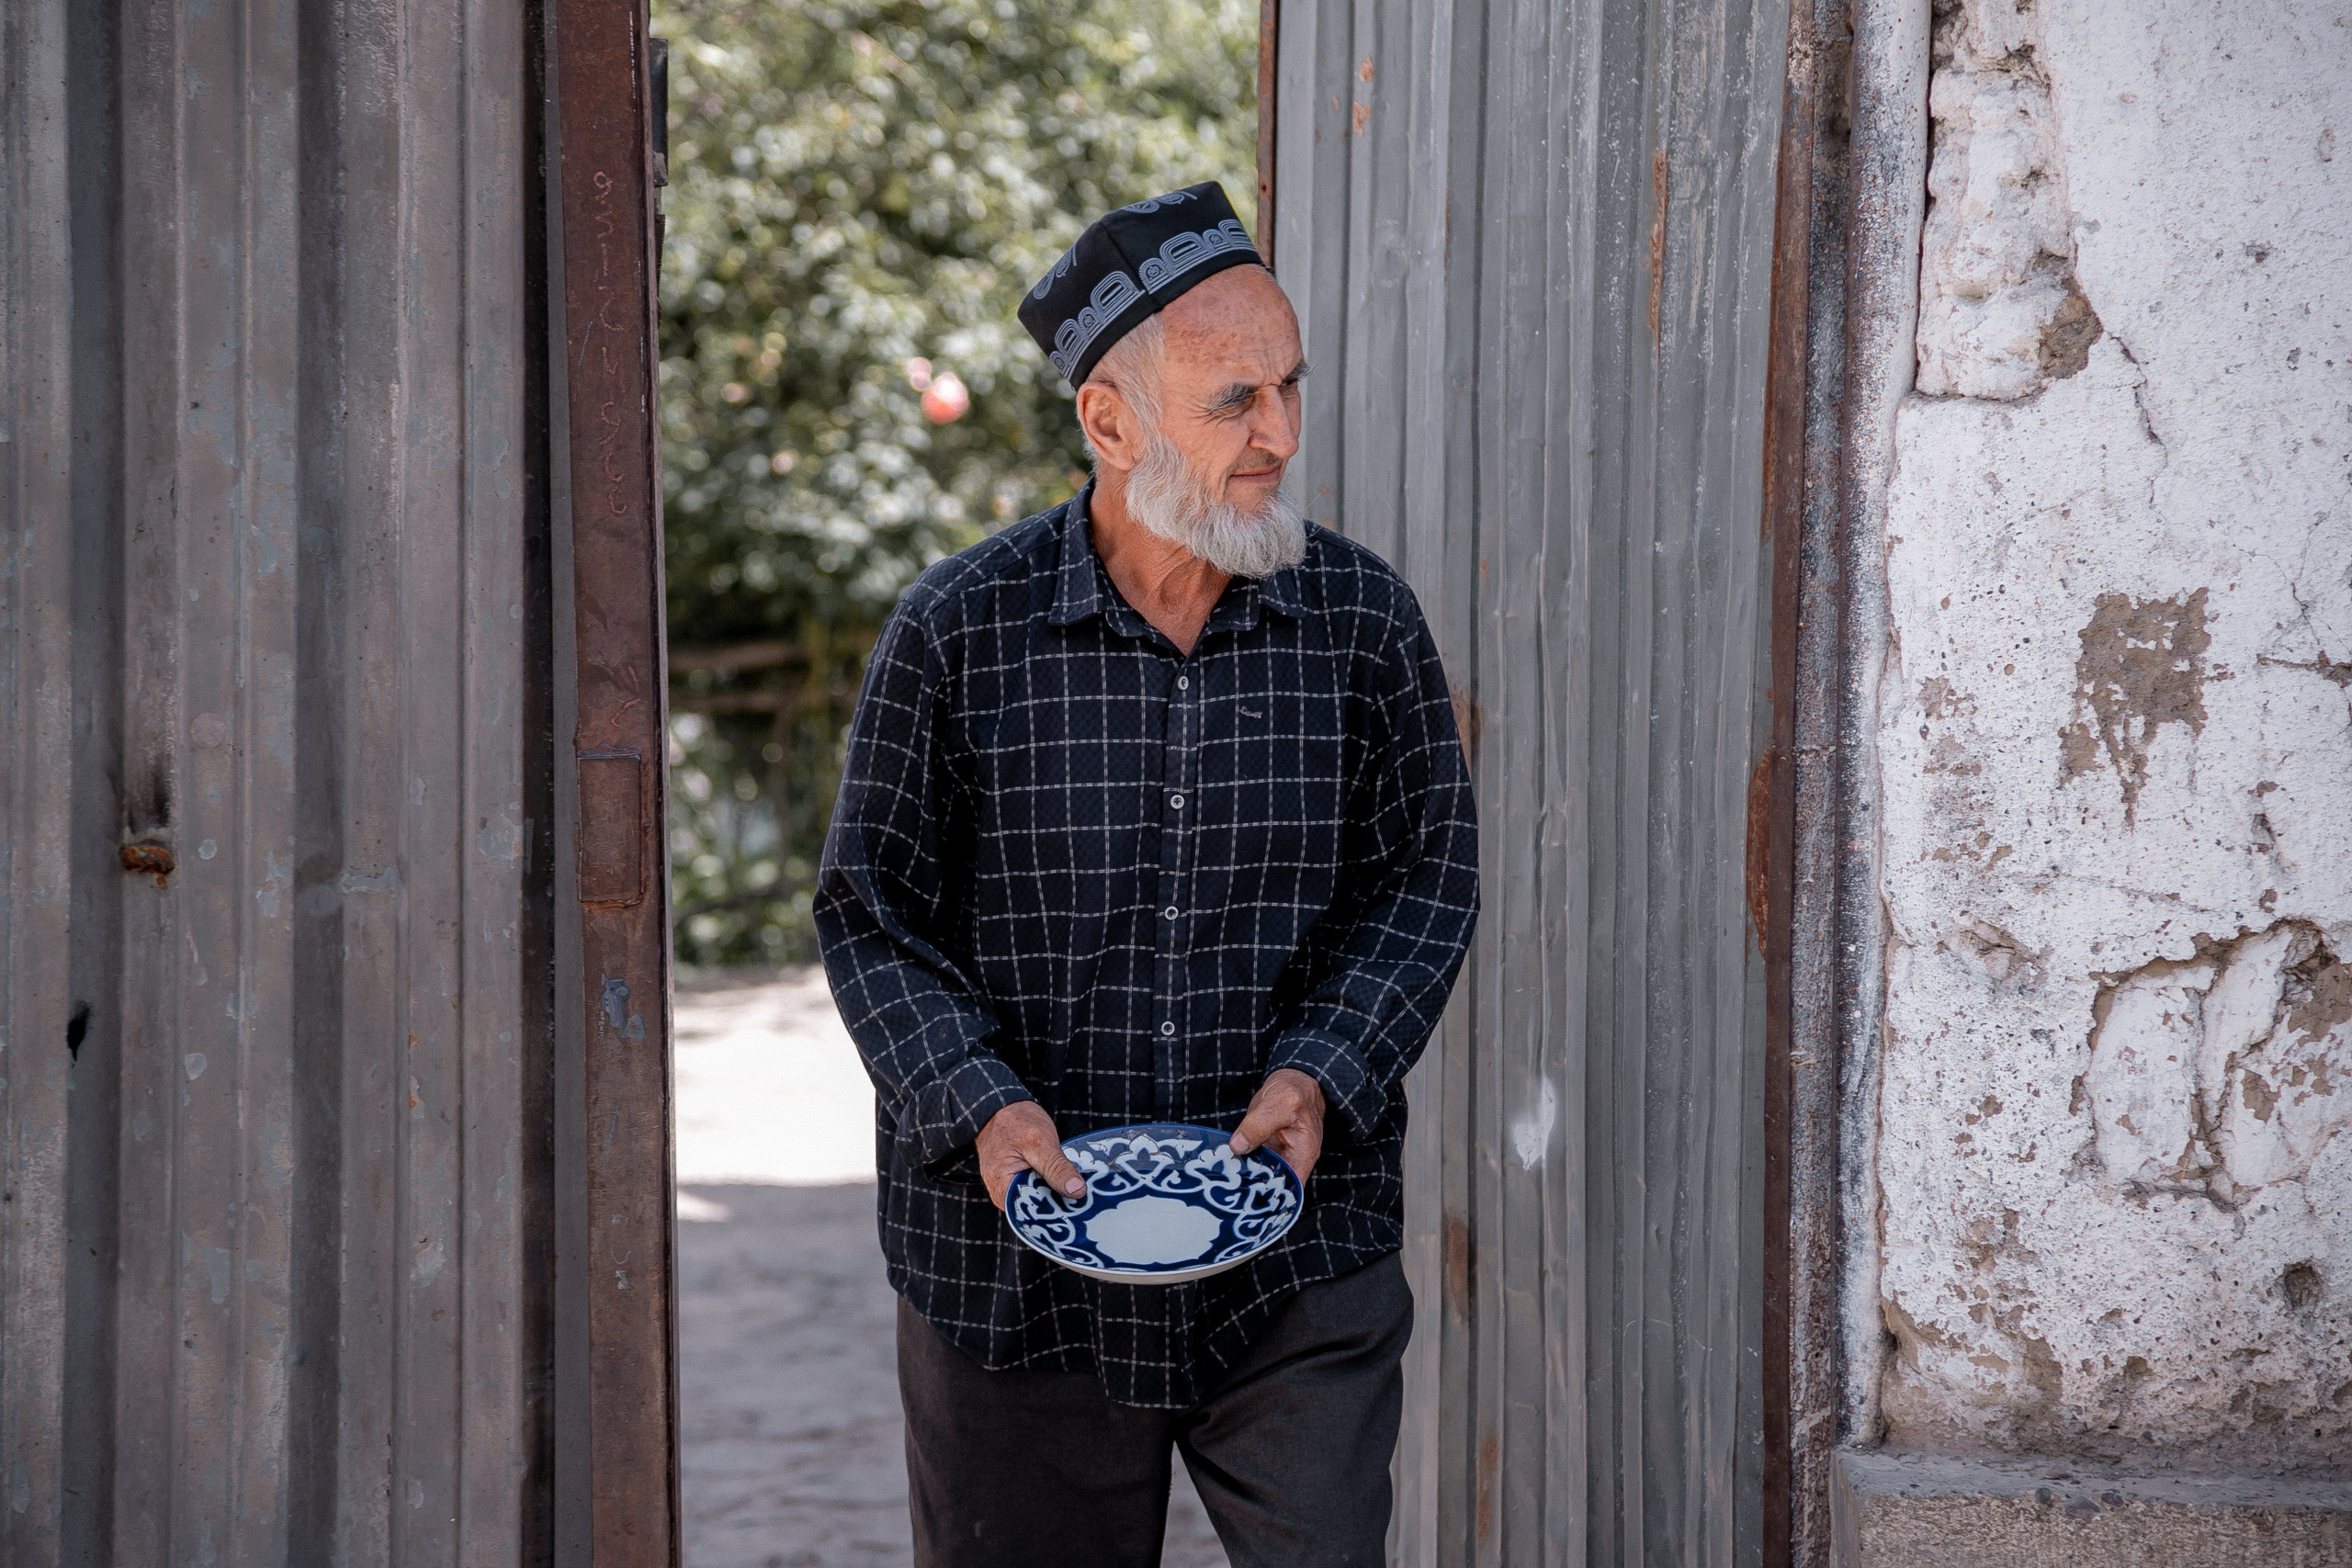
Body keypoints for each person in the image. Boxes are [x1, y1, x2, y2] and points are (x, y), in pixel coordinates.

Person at [816, 181, 1479, 1568]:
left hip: (1297, 1256)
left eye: (1290, 386)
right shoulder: (958, 631)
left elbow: (1426, 874)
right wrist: (983, 1110)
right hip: (1012, 1279)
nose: (1283, 435)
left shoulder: (1361, 624)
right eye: (1235, 400)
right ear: (1109, 425)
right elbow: (869, 914)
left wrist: (1323, 1072)